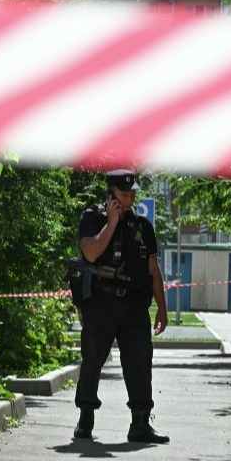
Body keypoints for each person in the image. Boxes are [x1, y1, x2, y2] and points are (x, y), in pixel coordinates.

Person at [72, 169, 170, 443]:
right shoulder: (93, 218)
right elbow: (90, 251)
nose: (130, 198)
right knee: (92, 360)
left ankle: (140, 423)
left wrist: (162, 308)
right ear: (111, 195)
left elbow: (153, 269)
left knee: (140, 362)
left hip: (134, 307)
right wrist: (111, 222)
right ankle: (85, 420)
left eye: (132, 193)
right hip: (101, 302)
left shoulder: (142, 227)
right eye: (125, 194)